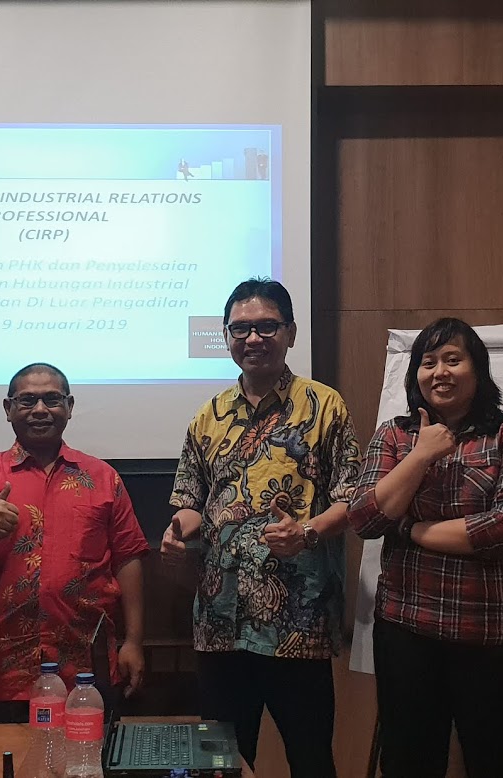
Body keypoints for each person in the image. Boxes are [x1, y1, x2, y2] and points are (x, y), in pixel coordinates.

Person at [163, 278, 360, 776]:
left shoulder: (324, 406)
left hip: (298, 624)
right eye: (241, 329)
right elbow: (192, 502)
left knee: (311, 760)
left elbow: (352, 499)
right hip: (219, 624)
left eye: (267, 327)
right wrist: (177, 532)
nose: (253, 338)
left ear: (290, 332)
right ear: (226, 336)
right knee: (221, 764)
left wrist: (307, 532)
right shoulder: (208, 416)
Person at [347, 317, 503, 778]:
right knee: (409, 765)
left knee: (498, 765)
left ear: (478, 370)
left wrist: (410, 529)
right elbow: (365, 518)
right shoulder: (395, 436)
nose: (440, 372)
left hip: (495, 639)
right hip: (407, 634)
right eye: (428, 361)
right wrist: (420, 455)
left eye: (453, 360)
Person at [0, 363, 149, 723]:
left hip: (85, 670)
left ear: (69, 406)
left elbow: (128, 558)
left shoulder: (102, 477)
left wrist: (135, 641)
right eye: (27, 400)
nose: (40, 410)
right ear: (8, 409)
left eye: (52, 399)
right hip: (2, 672)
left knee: (88, 756)